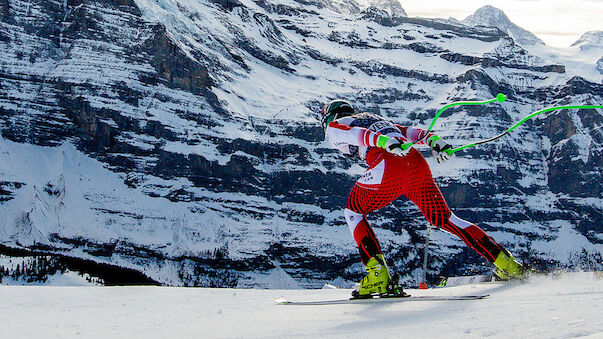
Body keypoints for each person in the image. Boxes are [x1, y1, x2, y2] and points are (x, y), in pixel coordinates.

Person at [320, 99, 526, 298]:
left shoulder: (334, 127)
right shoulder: (372, 118)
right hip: (415, 164)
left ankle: (377, 275)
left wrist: (383, 142)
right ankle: (506, 263)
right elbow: (411, 132)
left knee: (353, 211)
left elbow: (357, 135)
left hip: (388, 165)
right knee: (445, 219)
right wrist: (435, 141)